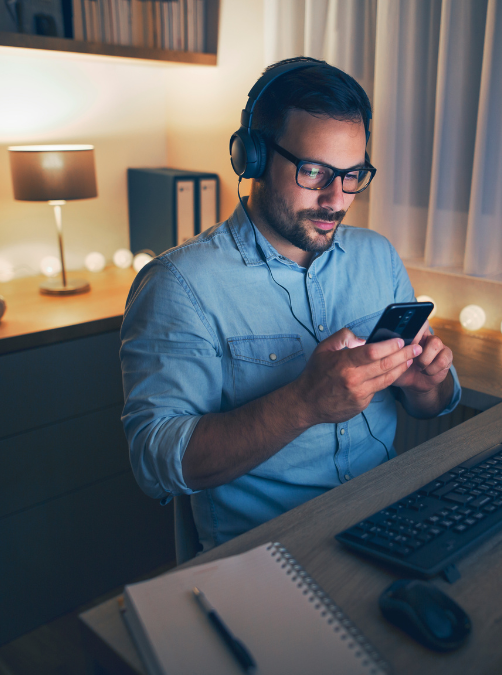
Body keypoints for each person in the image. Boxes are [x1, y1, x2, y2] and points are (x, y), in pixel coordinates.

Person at [120, 57, 461, 554]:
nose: (336, 199)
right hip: (266, 552)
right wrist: (303, 404)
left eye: (352, 175)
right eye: (314, 171)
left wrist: (429, 385)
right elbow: (156, 463)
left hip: (388, 521)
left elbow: (432, 405)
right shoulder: (178, 284)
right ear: (252, 158)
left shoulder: (378, 256)